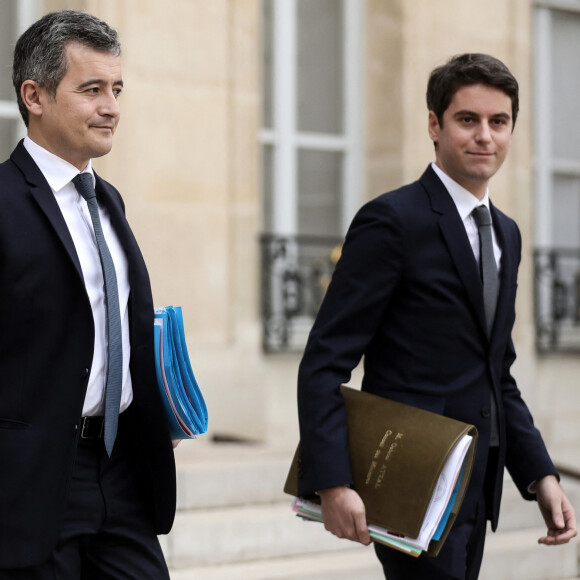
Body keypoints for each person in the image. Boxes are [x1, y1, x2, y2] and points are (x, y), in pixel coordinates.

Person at [296, 53, 577, 580]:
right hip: (411, 476)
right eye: (467, 120)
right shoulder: (391, 220)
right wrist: (332, 481)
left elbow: (497, 373)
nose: (484, 137)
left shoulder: (508, 234)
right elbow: (324, 361)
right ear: (434, 124)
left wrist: (540, 475)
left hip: (482, 477)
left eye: (499, 122)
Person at [0, 10, 176, 578]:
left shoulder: (108, 201)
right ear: (35, 95)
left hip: (119, 469)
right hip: (30, 483)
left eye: (117, 89)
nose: (111, 107)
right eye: (92, 89)